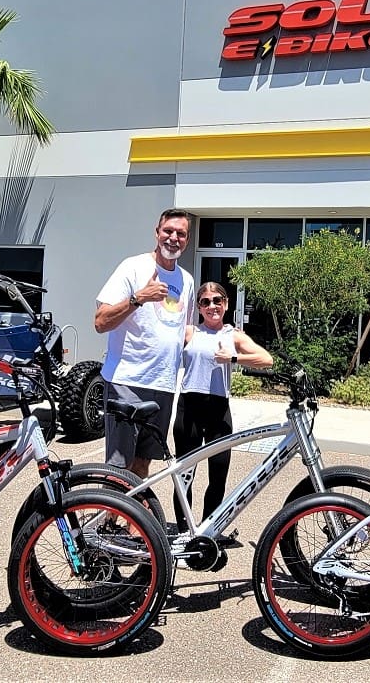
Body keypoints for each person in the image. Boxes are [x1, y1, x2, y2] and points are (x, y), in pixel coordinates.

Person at [94, 209, 195, 478]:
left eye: (181, 234)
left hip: (163, 385)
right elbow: (101, 321)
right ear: (157, 232)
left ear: (187, 239)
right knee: (118, 468)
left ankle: (132, 522)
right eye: (168, 231)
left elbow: (183, 331)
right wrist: (138, 298)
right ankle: (108, 519)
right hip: (128, 382)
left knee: (142, 465)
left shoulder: (187, 280)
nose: (173, 238)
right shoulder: (133, 267)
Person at [172, 282, 273, 533]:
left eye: (217, 300)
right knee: (184, 476)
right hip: (189, 409)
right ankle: (185, 531)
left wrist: (234, 358)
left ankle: (209, 530)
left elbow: (266, 359)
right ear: (198, 307)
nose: (212, 306)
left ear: (226, 304)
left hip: (218, 411)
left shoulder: (233, 335)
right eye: (205, 302)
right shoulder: (189, 333)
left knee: (218, 475)